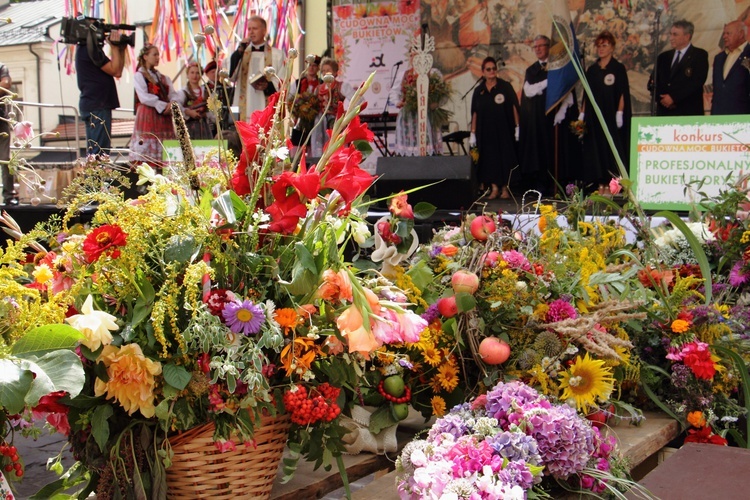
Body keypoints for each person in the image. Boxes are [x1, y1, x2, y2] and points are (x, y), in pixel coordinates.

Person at [579, 31, 631, 194]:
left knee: (611, 148)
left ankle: (613, 183)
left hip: (611, 116)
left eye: (605, 45)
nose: (601, 49)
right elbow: (587, 94)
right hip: (594, 117)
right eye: (599, 46)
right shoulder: (593, 70)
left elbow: (623, 92)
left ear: (612, 47)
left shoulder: (617, 68)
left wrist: (619, 113)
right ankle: (599, 182)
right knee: (595, 148)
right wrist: (582, 114)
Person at [469, 57, 519, 200]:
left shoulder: (505, 87)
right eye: (488, 69)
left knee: (505, 158)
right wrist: (472, 133)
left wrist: (517, 127)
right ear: (483, 72)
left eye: (494, 69)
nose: (492, 71)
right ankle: (494, 188)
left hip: (504, 130)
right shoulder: (479, 91)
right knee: (489, 160)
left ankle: (505, 189)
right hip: (486, 132)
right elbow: (475, 113)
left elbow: (514, 107)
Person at [76, 29, 127, 155]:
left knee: (96, 151)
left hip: (94, 104)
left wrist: (121, 49)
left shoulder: (85, 49)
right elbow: (115, 70)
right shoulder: (90, 50)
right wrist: (114, 46)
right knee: (100, 152)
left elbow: (118, 71)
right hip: (97, 105)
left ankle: (96, 173)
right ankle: (99, 174)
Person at [128, 44, 180, 167]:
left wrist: (172, 104)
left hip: (164, 116)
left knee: (164, 152)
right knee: (148, 151)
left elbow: (173, 94)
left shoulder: (163, 77)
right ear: (145, 56)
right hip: (148, 115)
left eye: (158, 55)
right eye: (154, 54)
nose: (157, 57)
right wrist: (162, 105)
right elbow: (144, 97)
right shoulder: (139, 75)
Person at [229, 15, 285, 122]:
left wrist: (268, 86)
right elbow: (232, 77)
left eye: (255, 28)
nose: (251, 32)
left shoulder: (277, 55)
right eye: (249, 29)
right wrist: (239, 52)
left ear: (264, 31)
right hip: (244, 107)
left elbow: (281, 79)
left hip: (264, 102)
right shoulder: (241, 53)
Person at [649, 20, 709, 116]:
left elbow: (697, 81)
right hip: (665, 113)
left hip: (687, 113)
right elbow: (653, 82)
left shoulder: (699, 55)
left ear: (687, 36)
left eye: (675, 35)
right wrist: (663, 100)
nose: (671, 38)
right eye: (671, 34)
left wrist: (673, 98)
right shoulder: (663, 57)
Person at [519, 35, 554, 195]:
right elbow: (529, 91)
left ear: (548, 47)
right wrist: (546, 83)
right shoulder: (532, 70)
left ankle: (555, 184)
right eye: (536, 46)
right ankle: (539, 184)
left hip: (552, 117)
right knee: (537, 151)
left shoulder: (555, 68)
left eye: (541, 45)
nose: (538, 49)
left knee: (551, 150)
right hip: (536, 118)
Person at [711, 20, 750, 115]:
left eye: (728, 33)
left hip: (742, 116)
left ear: (741, 34)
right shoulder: (719, 58)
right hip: (718, 114)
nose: (724, 37)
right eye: (724, 33)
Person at [310, 57, 346, 158]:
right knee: (318, 142)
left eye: (328, 70)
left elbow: (356, 99)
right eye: (324, 71)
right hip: (320, 120)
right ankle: (319, 161)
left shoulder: (341, 86)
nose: (326, 73)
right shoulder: (318, 89)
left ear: (335, 72)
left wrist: (346, 111)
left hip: (335, 120)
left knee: (334, 141)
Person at [288, 55, 321, 150]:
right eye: (309, 65)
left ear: (318, 68)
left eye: (314, 65)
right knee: (297, 146)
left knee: (314, 146)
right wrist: (296, 110)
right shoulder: (297, 83)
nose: (311, 68)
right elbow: (290, 100)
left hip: (315, 121)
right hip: (299, 121)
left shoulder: (321, 83)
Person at [178, 62, 214, 140]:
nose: (195, 76)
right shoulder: (183, 92)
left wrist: (205, 114)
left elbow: (214, 110)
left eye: (197, 73)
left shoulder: (206, 91)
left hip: (204, 127)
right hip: (188, 128)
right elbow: (177, 107)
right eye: (192, 73)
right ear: (187, 75)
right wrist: (188, 112)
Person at [203, 60, 233, 134]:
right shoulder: (204, 88)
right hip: (210, 122)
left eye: (217, 72)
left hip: (225, 120)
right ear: (207, 74)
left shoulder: (227, 87)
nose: (215, 74)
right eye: (212, 72)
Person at [0, 62, 15, 205]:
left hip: (1, 120)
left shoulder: (1, 67)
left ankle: (9, 196)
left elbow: (5, 84)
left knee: (5, 159)